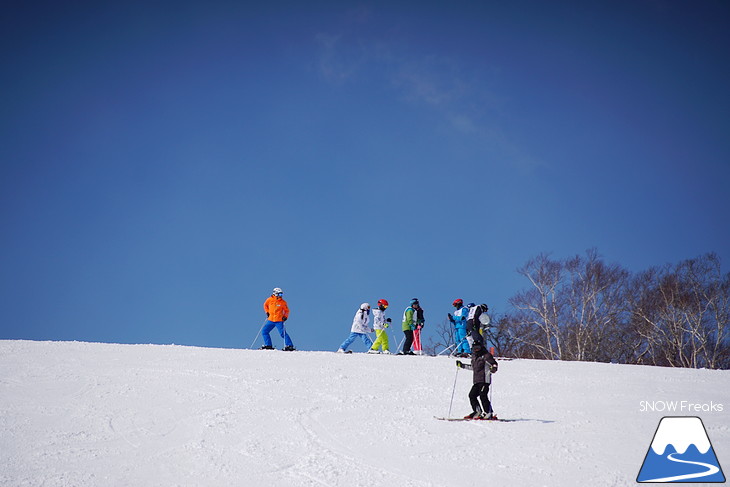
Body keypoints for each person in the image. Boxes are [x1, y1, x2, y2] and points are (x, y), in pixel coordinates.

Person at [456, 342, 498, 419]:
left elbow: (494, 364)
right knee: (472, 395)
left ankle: (488, 412)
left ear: (481, 347)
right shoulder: (474, 357)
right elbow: (473, 368)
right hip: (477, 381)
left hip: (485, 380)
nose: (476, 349)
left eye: (478, 347)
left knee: (483, 395)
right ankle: (477, 411)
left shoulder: (486, 356)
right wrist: (462, 365)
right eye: (475, 348)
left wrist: (493, 368)